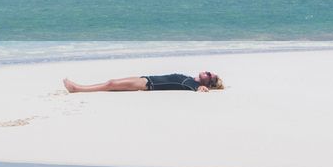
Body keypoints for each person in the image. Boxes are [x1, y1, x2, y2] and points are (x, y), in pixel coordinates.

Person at [63, 71, 224, 94]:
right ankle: (78, 88)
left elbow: (196, 88)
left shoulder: (192, 84)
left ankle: (77, 89)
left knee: (111, 84)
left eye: (209, 74)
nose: (207, 71)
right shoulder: (189, 78)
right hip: (146, 79)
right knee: (111, 83)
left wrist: (201, 88)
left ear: (208, 81)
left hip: (147, 85)